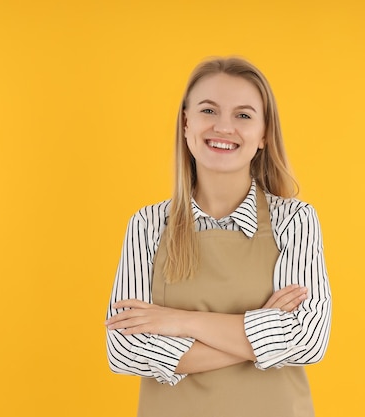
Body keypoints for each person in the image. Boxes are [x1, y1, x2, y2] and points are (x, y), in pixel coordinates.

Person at [104, 57, 331, 417]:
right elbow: (124, 349)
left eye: (243, 115)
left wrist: (178, 321)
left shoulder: (295, 220)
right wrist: (262, 332)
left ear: (264, 133)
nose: (223, 127)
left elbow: (307, 340)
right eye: (209, 110)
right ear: (186, 122)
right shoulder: (147, 225)